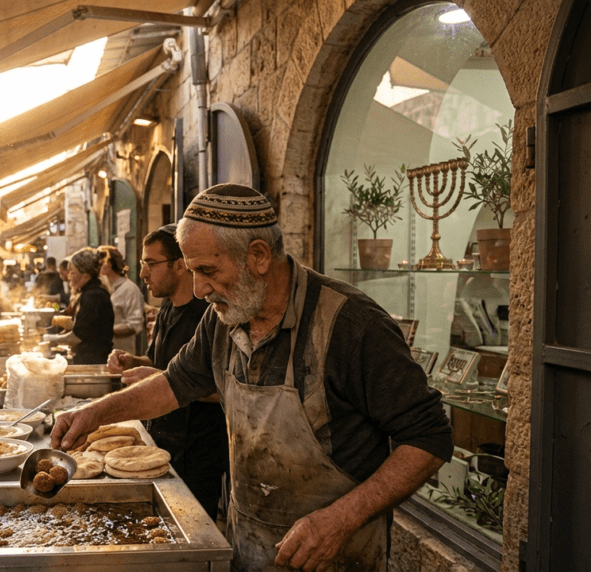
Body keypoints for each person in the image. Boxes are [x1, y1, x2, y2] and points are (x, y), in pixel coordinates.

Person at [52, 184, 453, 572]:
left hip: (337, 555)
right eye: (192, 272)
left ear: (258, 256)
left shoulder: (350, 324)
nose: (199, 288)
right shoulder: (222, 317)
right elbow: (174, 384)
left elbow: (429, 437)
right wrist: (95, 413)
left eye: (207, 270)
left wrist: (340, 520)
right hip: (251, 548)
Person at [107, 224, 228, 521]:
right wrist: (132, 361)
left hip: (198, 453)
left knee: (192, 530)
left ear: (179, 265)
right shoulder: (167, 309)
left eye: (150, 263)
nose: (143, 273)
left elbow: (224, 387)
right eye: (142, 264)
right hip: (159, 443)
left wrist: (159, 378)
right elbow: (156, 359)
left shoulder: (210, 316)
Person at [42, 247, 113, 364]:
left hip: (93, 363)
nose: (69, 277)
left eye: (72, 272)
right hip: (88, 359)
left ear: (85, 275)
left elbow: (78, 336)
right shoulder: (88, 292)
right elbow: (85, 327)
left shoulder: (93, 296)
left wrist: (50, 339)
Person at [98, 245, 144, 355]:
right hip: (102, 353)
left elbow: (135, 325)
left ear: (107, 263)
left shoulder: (130, 289)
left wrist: (103, 332)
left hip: (122, 355)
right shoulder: (103, 288)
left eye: (98, 262)